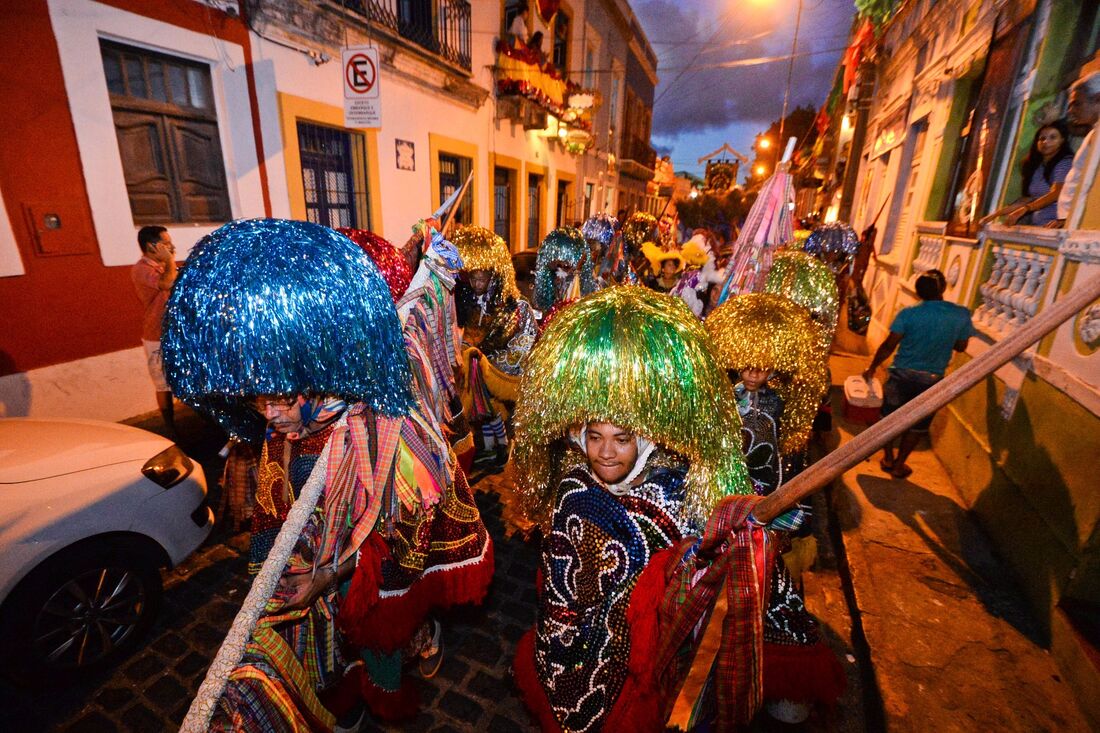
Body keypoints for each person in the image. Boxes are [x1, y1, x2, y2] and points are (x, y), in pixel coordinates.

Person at [162, 219, 492, 730]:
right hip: (311, 585)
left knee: (381, 645)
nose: (267, 414)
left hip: (362, 581)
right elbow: (273, 513)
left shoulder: (383, 433)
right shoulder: (280, 425)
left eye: (277, 399)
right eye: (255, 400)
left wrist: (327, 577)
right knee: (329, 665)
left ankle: (412, 649)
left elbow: (401, 537)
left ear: (316, 379)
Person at [512, 287, 781, 731]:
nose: (606, 452)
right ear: (580, 437)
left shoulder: (671, 495)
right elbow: (559, 571)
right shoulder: (571, 486)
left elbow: (698, 562)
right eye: (594, 436)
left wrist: (738, 530)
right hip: (569, 639)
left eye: (622, 439)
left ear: (646, 440)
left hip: (637, 660)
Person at [705, 293, 844, 724]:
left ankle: (774, 675)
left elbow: (789, 463)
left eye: (764, 365)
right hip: (721, 502)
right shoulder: (718, 399)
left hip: (768, 507)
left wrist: (787, 511)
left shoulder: (783, 405)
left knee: (768, 584)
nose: (754, 373)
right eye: (747, 362)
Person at [863, 269, 974, 479]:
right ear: (942, 289)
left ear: (918, 293)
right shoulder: (960, 315)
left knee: (889, 419)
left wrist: (872, 367)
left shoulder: (908, 314)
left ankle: (887, 457)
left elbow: (889, 345)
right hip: (931, 380)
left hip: (901, 375)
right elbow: (960, 346)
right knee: (917, 426)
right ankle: (898, 465)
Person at [452, 225, 537, 467]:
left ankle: (502, 445)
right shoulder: (464, 303)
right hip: (474, 374)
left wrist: (492, 364)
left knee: (494, 412)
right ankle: (490, 447)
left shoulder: (515, 308)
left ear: (493, 276)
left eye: (482, 278)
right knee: (482, 412)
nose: (477, 283)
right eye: (474, 278)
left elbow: (523, 344)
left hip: (497, 374)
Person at [980, 120, 1074, 227]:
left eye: (1053, 138)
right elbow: (1029, 199)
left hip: (1056, 227)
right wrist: (995, 215)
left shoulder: (1065, 162)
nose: (1045, 142)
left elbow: (1057, 193)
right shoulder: (1037, 166)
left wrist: (1027, 208)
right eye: (1042, 138)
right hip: (1038, 225)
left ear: (1062, 140)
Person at [131, 225, 177, 432]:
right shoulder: (142, 269)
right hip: (156, 335)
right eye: (165, 243)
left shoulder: (162, 265)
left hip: (173, 332)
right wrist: (169, 260)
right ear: (152, 246)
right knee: (163, 384)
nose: (171, 246)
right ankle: (170, 428)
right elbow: (166, 283)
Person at [1051, 71, 1100, 228]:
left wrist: (1068, 218)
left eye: (1077, 104)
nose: (1071, 111)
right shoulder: (1094, 134)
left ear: (1098, 99)